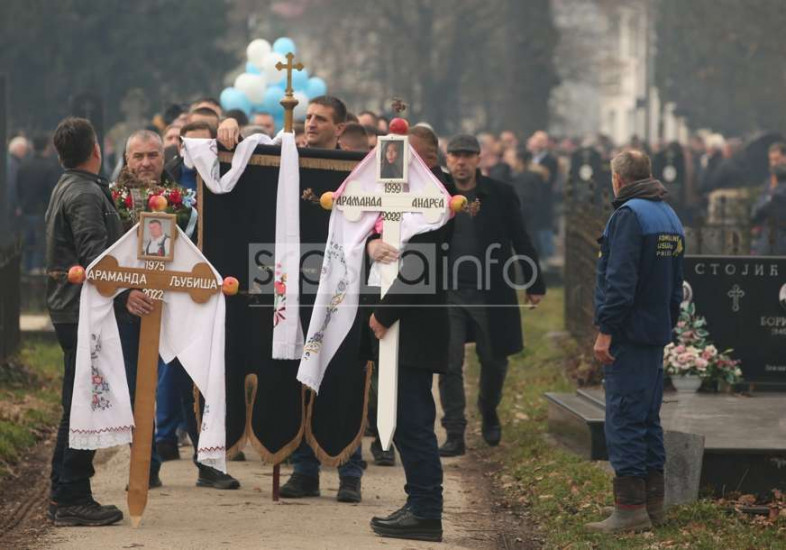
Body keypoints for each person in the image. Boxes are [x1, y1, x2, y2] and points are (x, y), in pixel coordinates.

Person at [587, 150, 684, 533]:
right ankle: (654, 504)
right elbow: (676, 285)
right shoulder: (669, 216)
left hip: (627, 334)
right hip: (655, 332)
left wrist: (606, 329)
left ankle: (629, 510)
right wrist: (666, 325)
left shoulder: (628, 216)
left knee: (624, 416)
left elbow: (620, 280)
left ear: (618, 179)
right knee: (647, 418)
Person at [438, 134, 545, 458]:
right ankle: (454, 430)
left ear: (478, 159)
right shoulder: (436, 193)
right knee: (448, 363)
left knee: (495, 360)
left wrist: (534, 281)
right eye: (455, 155)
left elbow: (520, 237)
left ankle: (488, 409)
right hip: (449, 291)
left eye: (467, 155)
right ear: (447, 158)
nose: (461, 161)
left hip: (490, 290)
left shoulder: (500, 194)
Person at [45, 117, 124, 526]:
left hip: (71, 308)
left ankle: (63, 492)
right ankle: (73, 494)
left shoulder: (73, 186)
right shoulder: (84, 194)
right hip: (82, 311)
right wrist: (130, 294)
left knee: (75, 404)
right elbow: (97, 257)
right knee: (84, 406)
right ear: (96, 151)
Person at [366, 170, 453, 542]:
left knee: (414, 422)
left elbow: (420, 268)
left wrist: (384, 314)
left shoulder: (433, 209)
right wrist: (371, 244)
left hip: (414, 330)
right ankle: (417, 501)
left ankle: (426, 511)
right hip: (401, 332)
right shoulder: (406, 205)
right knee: (403, 419)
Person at [17, 134, 61, 272]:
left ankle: (25, 272)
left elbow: (18, 187)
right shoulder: (49, 167)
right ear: (47, 147)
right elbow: (53, 191)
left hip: (26, 211)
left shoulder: (23, 166)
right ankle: (35, 276)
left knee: (27, 245)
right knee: (40, 246)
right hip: (42, 211)